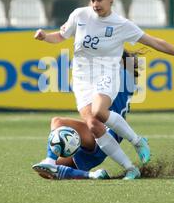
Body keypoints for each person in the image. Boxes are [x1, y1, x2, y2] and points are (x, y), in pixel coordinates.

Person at [34, 0, 174, 180]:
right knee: (82, 126)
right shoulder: (80, 15)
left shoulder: (121, 26)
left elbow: (155, 42)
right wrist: (45, 37)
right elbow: (60, 36)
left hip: (106, 75)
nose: (95, 4)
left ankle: (137, 141)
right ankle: (111, 171)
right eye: (92, 0)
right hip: (81, 80)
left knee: (98, 112)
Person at [32, 50, 139, 180]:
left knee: (58, 122)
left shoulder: (118, 74)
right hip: (106, 136)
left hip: (103, 133)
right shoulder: (125, 78)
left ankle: (50, 159)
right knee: (46, 172)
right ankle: (93, 175)